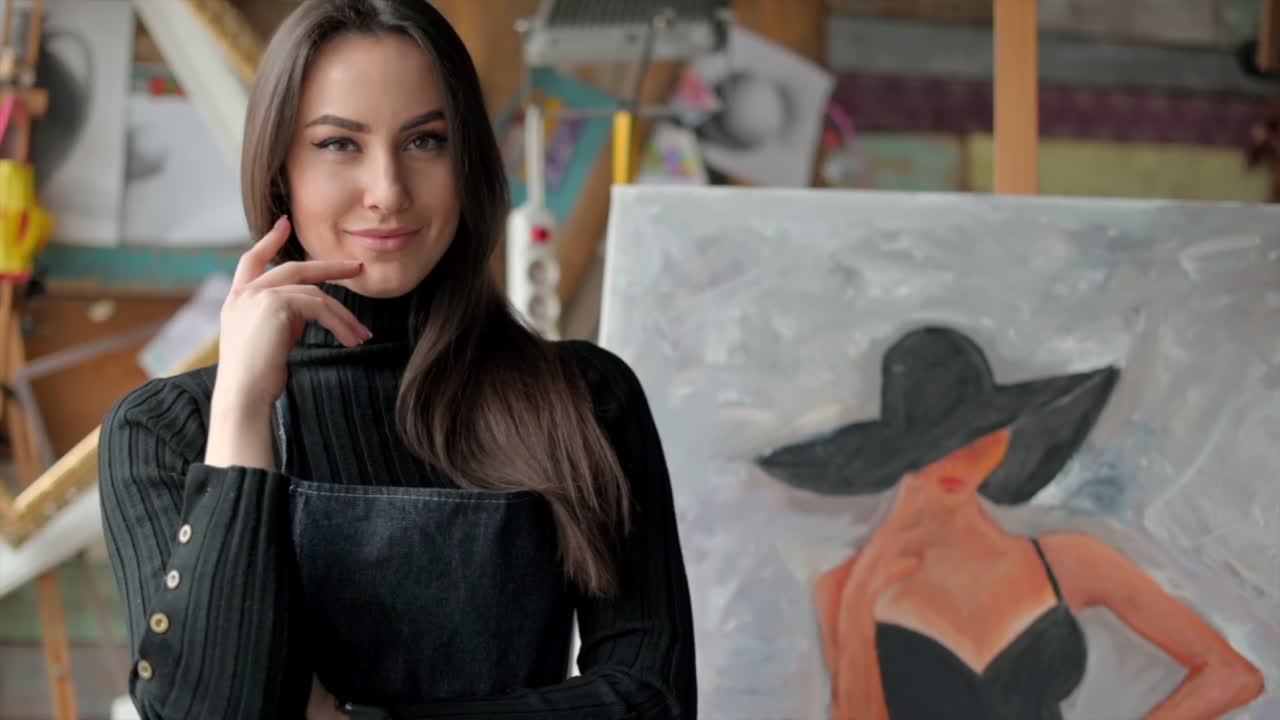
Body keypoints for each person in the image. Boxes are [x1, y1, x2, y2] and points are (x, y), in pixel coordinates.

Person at [97, 1, 695, 718]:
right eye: (339, 145)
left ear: (467, 160)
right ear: (279, 167)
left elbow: (649, 697)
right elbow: (202, 710)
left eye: (425, 142)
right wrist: (241, 412)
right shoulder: (165, 430)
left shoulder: (588, 399)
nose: (388, 192)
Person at [756, 326, 1264, 720]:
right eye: (934, 448)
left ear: (1003, 439)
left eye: (975, 437)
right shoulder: (845, 589)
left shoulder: (1067, 561)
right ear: (899, 457)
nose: (955, 463)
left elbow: (1230, 675)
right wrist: (859, 608)